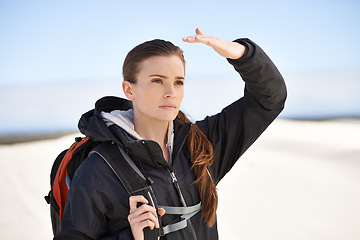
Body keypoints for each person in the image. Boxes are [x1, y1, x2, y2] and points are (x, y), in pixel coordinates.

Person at [54, 28, 287, 240]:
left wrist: (244, 55)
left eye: (178, 82)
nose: (170, 92)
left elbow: (269, 99)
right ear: (129, 89)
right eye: (157, 81)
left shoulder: (201, 145)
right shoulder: (100, 168)